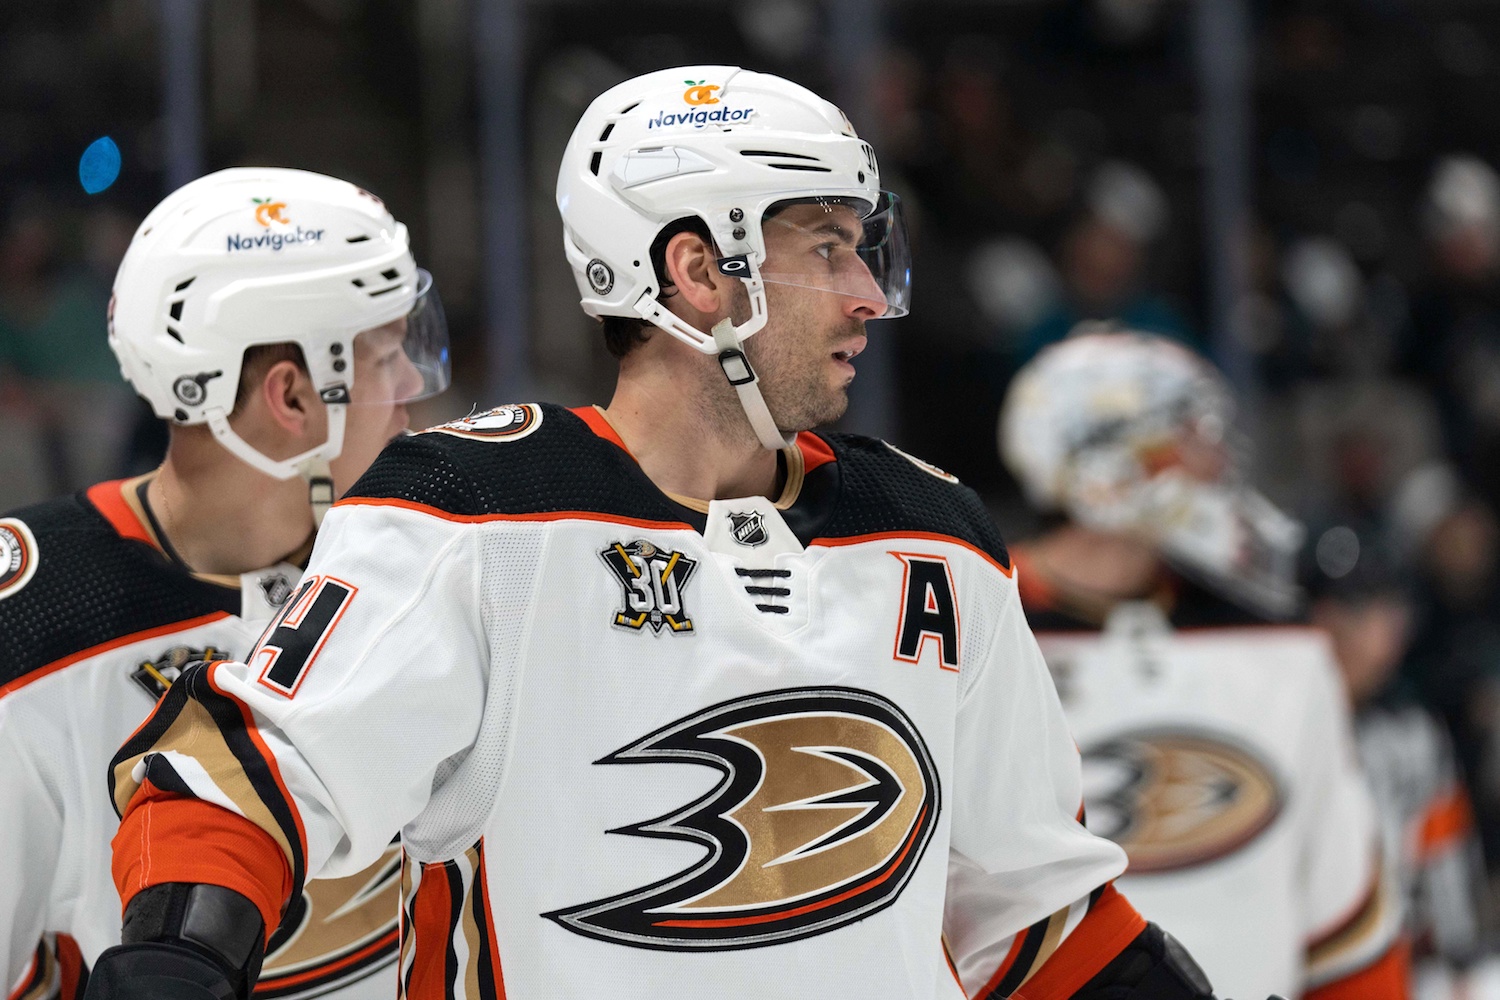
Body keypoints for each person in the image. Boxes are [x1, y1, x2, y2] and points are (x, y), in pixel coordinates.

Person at [90, 69, 1261, 1000]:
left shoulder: (937, 535)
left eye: (863, 246)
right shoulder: (473, 511)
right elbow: (236, 783)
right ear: (698, 270)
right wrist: (174, 960)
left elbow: (1031, 908)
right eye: (825, 248)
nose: (867, 292)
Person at [0, 167, 450, 1000]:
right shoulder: (32, 626)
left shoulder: (434, 557)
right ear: (293, 397)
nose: (414, 387)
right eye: (388, 355)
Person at [998, 329, 1409, 999]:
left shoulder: (1276, 645)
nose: (1214, 462)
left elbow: (1343, 912)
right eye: (1188, 437)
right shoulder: (960, 616)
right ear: (1104, 463)